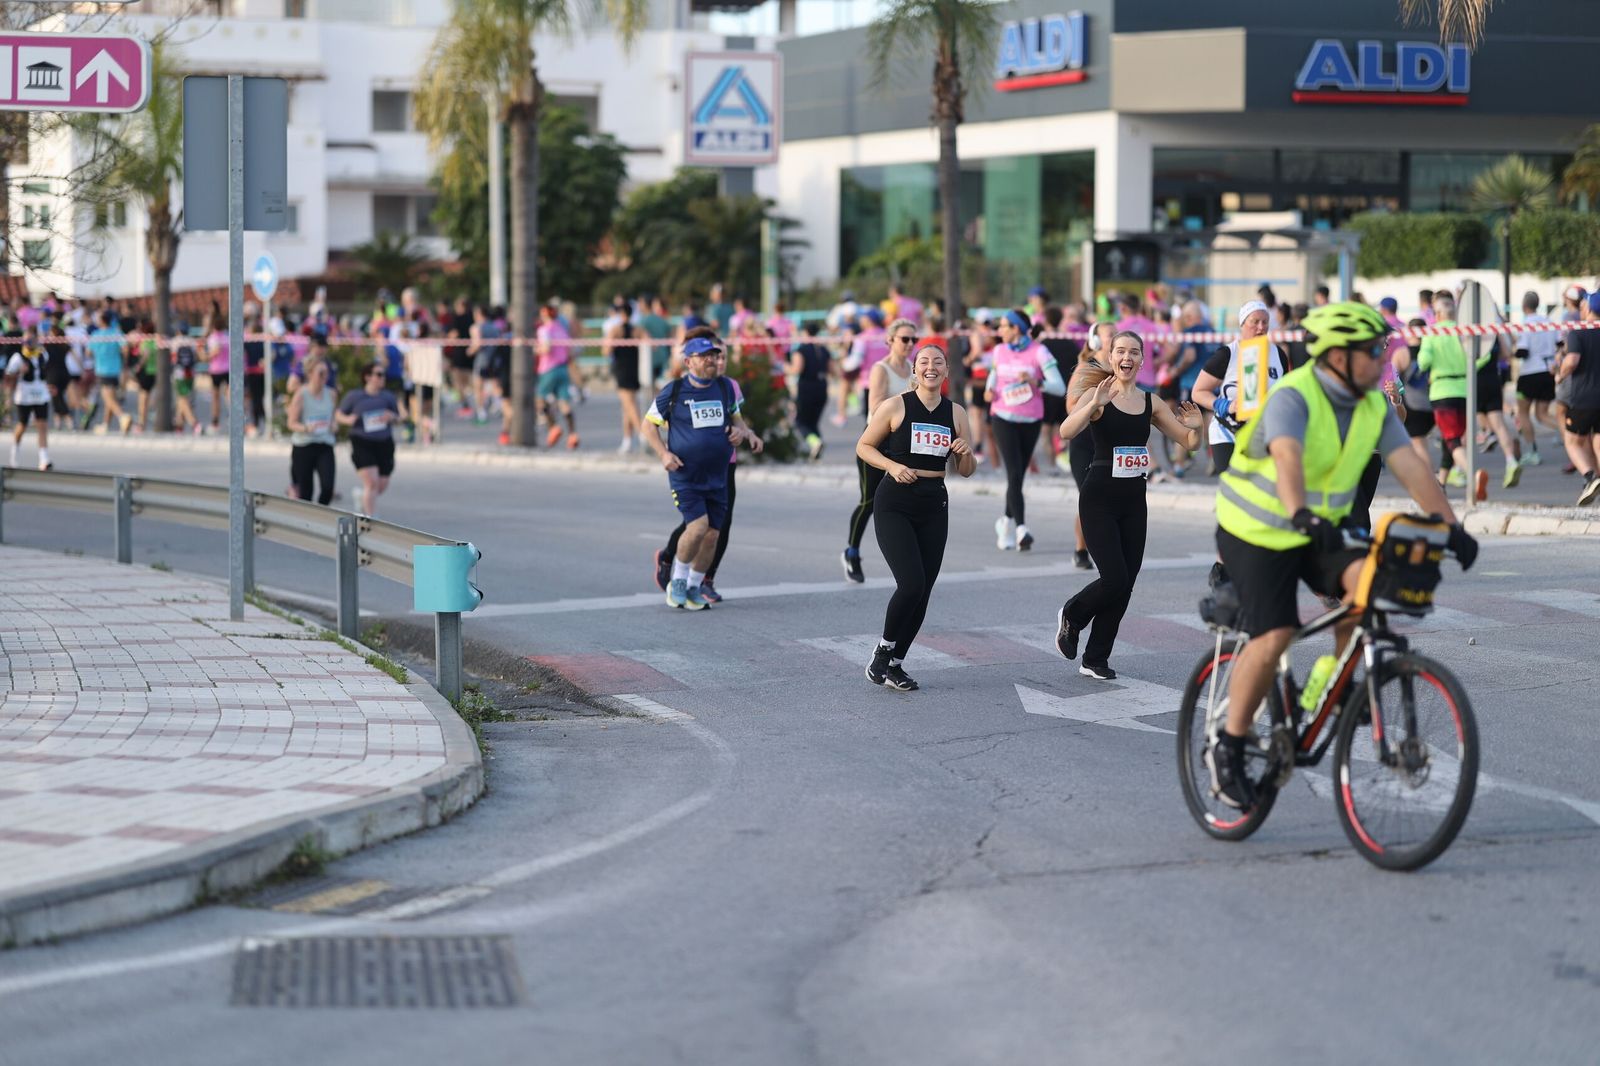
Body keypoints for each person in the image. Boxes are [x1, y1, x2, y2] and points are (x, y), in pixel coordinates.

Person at [1206, 302, 1478, 810]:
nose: (1384, 358)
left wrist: (1452, 527)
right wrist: (1299, 512)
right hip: (1255, 525)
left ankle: (1317, 696)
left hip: (1317, 527)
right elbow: (1287, 457)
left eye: (1384, 348)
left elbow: (1414, 471)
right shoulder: (1295, 395)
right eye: (1373, 351)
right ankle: (1230, 745)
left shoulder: (1373, 406)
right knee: (1275, 632)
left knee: (1369, 587)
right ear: (1336, 356)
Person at [1055, 331, 1203, 680]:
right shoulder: (1098, 395)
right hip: (1099, 498)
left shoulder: (1151, 403)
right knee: (1114, 577)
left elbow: (1188, 442)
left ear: (1141, 360)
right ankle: (1073, 615)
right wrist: (1093, 404)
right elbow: (1065, 431)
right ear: (1110, 356)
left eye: (1134, 352)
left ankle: (1096, 658)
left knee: (1126, 583)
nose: (1127, 357)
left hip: (1135, 502)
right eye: (1120, 351)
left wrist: (1196, 429)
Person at [855, 338, 977, 690]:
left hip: (934, 501)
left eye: (938, 362)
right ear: (915, 368)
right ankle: (883, 650)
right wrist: (892, 467)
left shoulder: (956, 413)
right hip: (895, 500)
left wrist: (966, 452)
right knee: (911, 584)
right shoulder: (896, 406)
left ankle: (895, 664)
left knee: (924, 590)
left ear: (946, 371)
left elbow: (966, 469)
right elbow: (864, 446)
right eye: (924, 361)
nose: (931, 367)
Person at [643, 335, 764, 610]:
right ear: (688, 362)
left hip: (718, 474)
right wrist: (663, 454)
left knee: (712, 534)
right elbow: (648, 426)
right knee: (697, 527)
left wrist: (743, 434)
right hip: (685, 474)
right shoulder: (673, 391)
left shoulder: (725, 388)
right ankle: (678, 582)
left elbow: (737, 422)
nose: (710, 359)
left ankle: (696, 586)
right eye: (703, 356)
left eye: (713, 354)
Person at [1418, 291, 1518, 491]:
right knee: (1455, 438)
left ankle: (1473, 475)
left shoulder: (1433, 332)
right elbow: (1481, 358)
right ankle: (1442, 483)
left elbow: (1423, 362)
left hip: (1442, 390)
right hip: (1466, 392)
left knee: (1452, 440)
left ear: (1436, 313)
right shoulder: (1464, 332)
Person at [842, 318, 917, 582]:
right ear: (890, 341)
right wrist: (900, 407)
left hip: (902, 444)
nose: (909, 345)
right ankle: (851, 552)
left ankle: (909, 560)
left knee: (907, 499)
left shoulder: (913, 368)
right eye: (904, 339)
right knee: (870, 500)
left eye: (913, 340)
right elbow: (875, 406)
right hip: (875, 443)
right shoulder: (880, 369)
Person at [985, 309, 1066, 550]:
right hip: (1002, 416)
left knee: (1018, 473)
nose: (999, 331)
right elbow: (993, 376)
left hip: (1030, 419)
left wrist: (1035, 382)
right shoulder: (999, 350)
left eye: (1003, 326)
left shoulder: (1039, 351)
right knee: (1014, 472)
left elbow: (1059, 387)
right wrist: (990, 390)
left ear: (1016, 328)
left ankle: (1005, 522)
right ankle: (1021, 529)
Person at [1191, 301, 1289, 477]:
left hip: (1262, 431)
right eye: (1255, 322)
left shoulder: (1278, 354)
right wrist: (1225, 405)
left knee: (1260, 487)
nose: (1261, 327)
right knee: (1231, 485)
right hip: (1227, 430)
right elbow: (1198, 392)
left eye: (1265, 322)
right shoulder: (1228, 354)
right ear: (1242, 324)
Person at [1065, 322, 1117, 570]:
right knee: (1088, 497)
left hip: (1109, 442)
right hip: (1084, 442)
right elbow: (1070, 407)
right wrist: (1095, 403)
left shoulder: (1121, 369)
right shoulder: (1086, 368)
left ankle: (1103, 548)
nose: (1115, 339)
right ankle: (1081, 549)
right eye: (1110, 335)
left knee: (1106, 499)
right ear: (1095, 341)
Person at [336, 363, 401, 516]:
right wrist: (348, 419)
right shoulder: (355, 396)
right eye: (378, 374)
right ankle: (370, 518)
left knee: (381, 484)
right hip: (362, 441)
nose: (382, 378)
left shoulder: (388, 397)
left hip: (384, 442)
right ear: (367, 377)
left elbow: (399, 417)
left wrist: (392, 417)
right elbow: (339, 414)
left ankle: (362, 496)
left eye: (383, 375)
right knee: (371, 482)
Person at [1560, 292, 1600, 505]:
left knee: (1572, 441)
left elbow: (1572, 360)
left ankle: (1589, 477)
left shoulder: (1580, 331)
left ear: (1588, 308)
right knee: (1598, 443)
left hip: (1584, 397)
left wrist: (1560, 374)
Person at [1513, 290, 1560, 466]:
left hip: (1530, 373)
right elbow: (1560, 343)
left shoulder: (1526, 324)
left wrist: (1513, 349)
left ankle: (1532, 451)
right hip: (1547, 372)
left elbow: (1523, 351)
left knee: (1523, 413)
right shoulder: (1549, 322)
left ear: (1524, 306)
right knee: (1543, 414)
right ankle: (1568, 434)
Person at [286, 354, 338, 505]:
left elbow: (333, 418)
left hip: (325, 444)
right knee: (306, 492)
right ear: (309, 374)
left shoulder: (331, 394)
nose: (324, 377)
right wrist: (306, 428)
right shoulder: (301, 395)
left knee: (328, 487)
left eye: (327, 373)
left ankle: (320, 516)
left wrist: (334, 425)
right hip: (304, 446)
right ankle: (306, 524)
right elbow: (291, 423)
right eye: (320, 373)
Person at [7, 327, 53, 470]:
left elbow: (46, 370)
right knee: (23, 424)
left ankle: (44, 458)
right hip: (24, 394)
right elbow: (8, 377)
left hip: (40, 393)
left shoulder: (43, 354)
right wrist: (19, 372)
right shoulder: (17, 358)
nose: (29, 343)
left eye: (31, 340)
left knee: (42, 425)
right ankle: (15, 450)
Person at [788, 320, 831, 460]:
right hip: (822, 387)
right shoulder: (824, 350)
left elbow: (796, 369)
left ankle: (815, 442)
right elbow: (834, 370)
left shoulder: (801, 349)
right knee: (813, 422)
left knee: (800, 421)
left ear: (805, 332)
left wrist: (784, 367)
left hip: (807, 387)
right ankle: (816, 448)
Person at [608, 301, 645, 454]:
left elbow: (606, 350)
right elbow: (651, 343)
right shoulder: (638, 330)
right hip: (634, 367)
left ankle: (643, 434)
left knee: (629, 404)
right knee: (627, 407)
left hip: (621, 369)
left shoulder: (615, 330)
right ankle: (627, 440)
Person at [205, 312, 230, 433]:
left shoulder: (213, 338)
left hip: (216, 370)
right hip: (227, 369)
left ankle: (215, 422)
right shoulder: (227, 336)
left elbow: (215, 352)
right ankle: (234, 417)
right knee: (229, 396)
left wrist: (205, 356)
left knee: (215, 397)